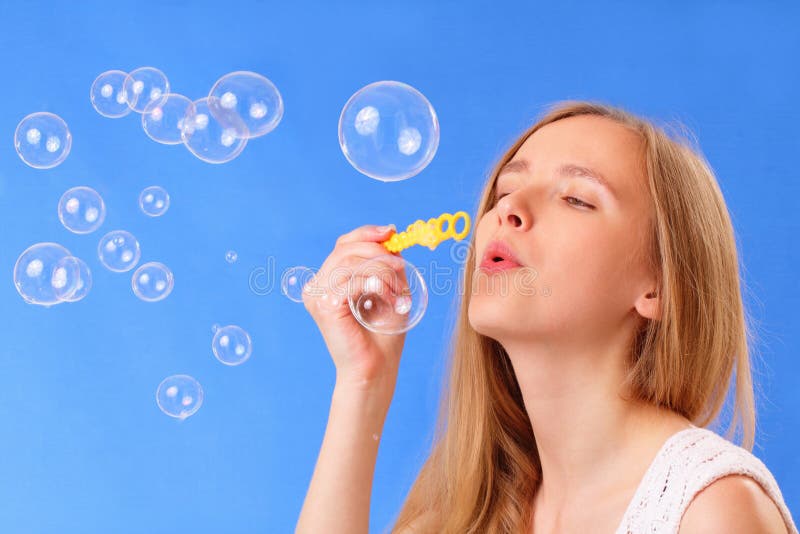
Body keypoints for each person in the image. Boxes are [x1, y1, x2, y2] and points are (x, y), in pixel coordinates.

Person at [295, 101, 798, 533]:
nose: (509, 209)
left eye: (576, 199)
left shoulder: (711, 510)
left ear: (657, 286)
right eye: (504, 192)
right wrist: (363, 383)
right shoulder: (467, 511)